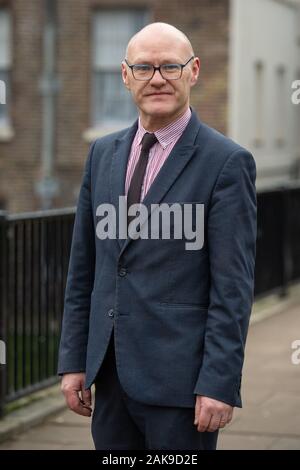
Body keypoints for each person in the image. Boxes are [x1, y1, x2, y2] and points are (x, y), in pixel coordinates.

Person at [58, 22, 257, 450]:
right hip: (108, 379)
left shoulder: (226, 163)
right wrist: (74, 362)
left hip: (181, 387)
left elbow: (233, 287)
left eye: (171, 66)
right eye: (145, 68)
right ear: (126, 75)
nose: (158, 78)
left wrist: (219, 383)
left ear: (194, 71)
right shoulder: (102, 154)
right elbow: (84, 270)